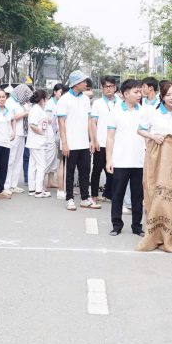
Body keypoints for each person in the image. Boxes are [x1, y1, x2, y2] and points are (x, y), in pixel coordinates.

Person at [106, 79, 144, 236]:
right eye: (136, 92)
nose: (139, 95)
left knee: (137, 196)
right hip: (120, 160)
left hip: (139, 161)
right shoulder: (115, 111)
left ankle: (137, 226)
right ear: (126, 94)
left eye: (140, 91)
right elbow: (110, 137)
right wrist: (109, 159)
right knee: (118, 195)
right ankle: (116, 225)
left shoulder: (143, 111)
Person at [58, 70, 98, 211]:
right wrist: (64, 143)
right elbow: (61, 123)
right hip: (70, 144)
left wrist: (92, 140)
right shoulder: (64, 99)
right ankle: (69, 198)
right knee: (69, 172)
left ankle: (85, 198)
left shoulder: (86, 99)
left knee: (85, 171)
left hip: (84, 143)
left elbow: (89, 121)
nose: (86, 84)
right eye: (83, 81)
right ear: (76, 83)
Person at [90, 76, 118, 204]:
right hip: (101, 142)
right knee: (97, 170)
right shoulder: (97, 103)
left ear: (115, 87)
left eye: (111, 86)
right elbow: (93, 123)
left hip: (116, 143)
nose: (108, 89)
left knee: (113, 171)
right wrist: (94, 140)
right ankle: (94, 195)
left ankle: (109, 194)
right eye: (106, 86)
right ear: (102, 88)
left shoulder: (121, 102)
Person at [26, 89, 53, 198]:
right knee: (41, 165)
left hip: (35, 142)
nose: (46, 100)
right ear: (42, 99)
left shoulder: (37, 109)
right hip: (38, 142)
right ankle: (38, 190)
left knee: (33, 165)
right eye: (45, 98)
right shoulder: (36, 110)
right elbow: (32, 125)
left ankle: (32, 189)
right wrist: (42, 134)